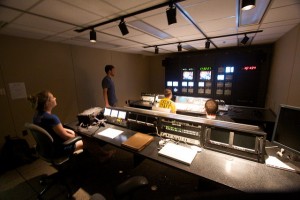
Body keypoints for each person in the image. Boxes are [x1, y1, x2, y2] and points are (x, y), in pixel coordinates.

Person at [27, 90, 115, 162]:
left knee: (76, 134)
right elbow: (66, 137)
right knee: (89, 141)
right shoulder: (52, 118)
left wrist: (72, 132)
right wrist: (78, 137)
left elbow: (55, 130)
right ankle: (104, 155)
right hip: (59, 149)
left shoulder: (37, 116)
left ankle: (91, 157)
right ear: (47, 103)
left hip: (46, 149)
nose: (55, 98)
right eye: (52, 97)